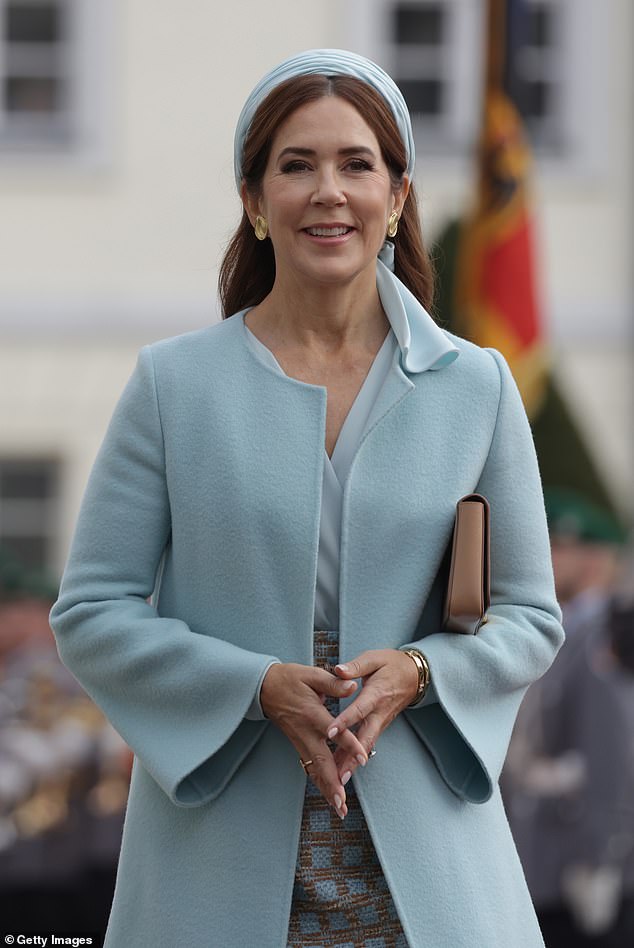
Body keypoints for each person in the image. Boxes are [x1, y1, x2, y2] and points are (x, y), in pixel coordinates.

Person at [49, 49, 564, 947]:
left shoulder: (477, 385)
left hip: (431, 878)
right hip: (214, 860)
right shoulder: (174, 385)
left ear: (399, 197)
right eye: (296, 165)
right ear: (254, 201)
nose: (330, 191)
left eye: (357, 164)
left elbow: (530, 615)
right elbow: (92, 611)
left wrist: (419, 672)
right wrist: (254, 687)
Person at [502, 491, 634, 947]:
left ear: (596, 558)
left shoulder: (604, 631)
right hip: (543, 856)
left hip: (577, 864)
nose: (548, 556)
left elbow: (612, 755)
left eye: (561, 547)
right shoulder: (562, 628)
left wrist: (599, 859)